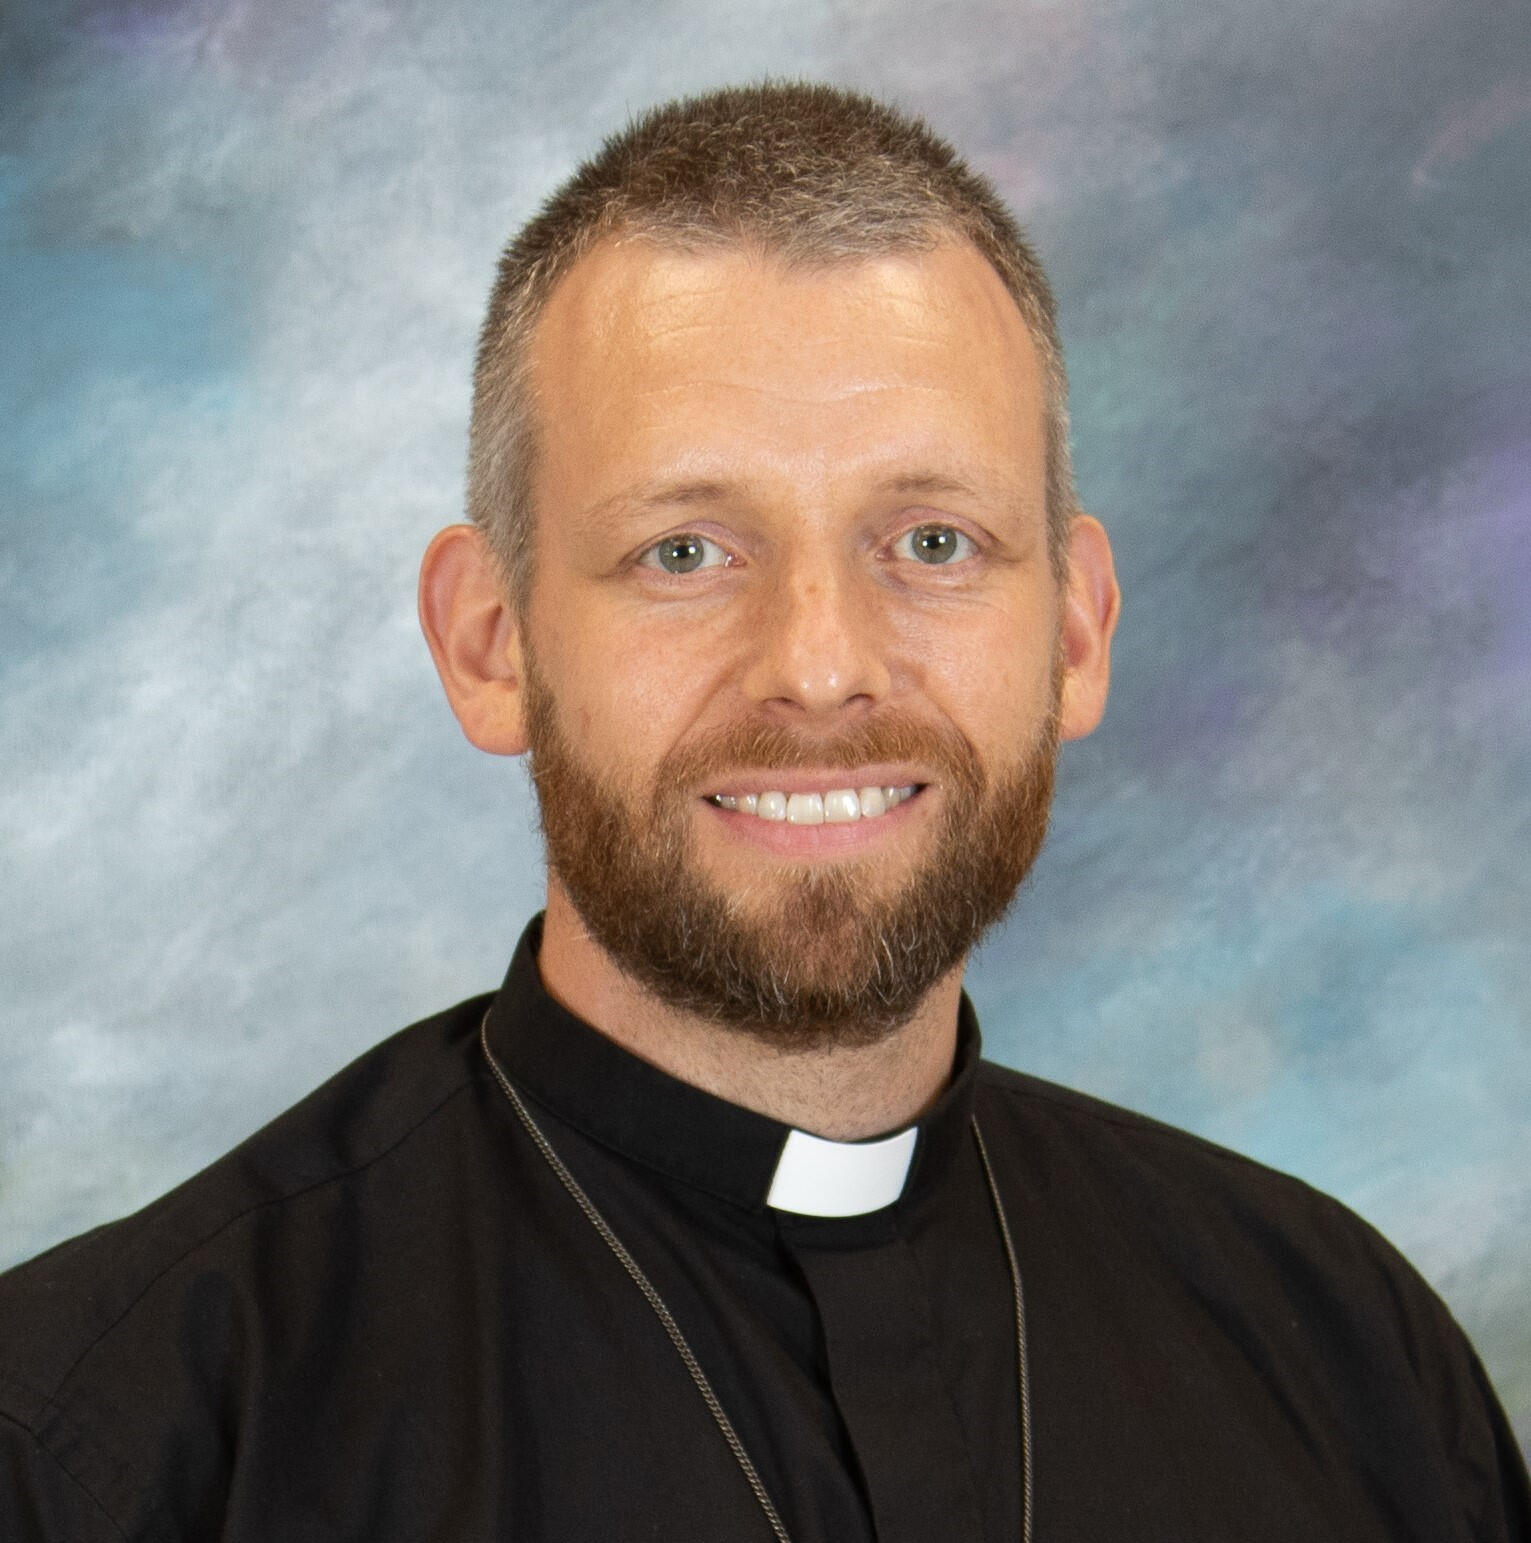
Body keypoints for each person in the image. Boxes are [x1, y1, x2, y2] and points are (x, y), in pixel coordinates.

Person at [1, 81, 1525, 1543]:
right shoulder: (111, 1444)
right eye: (685, 552)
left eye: (932, 538)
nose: (819, 666)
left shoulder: (1351, 1358)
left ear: (1075, 629)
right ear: (490, 644)